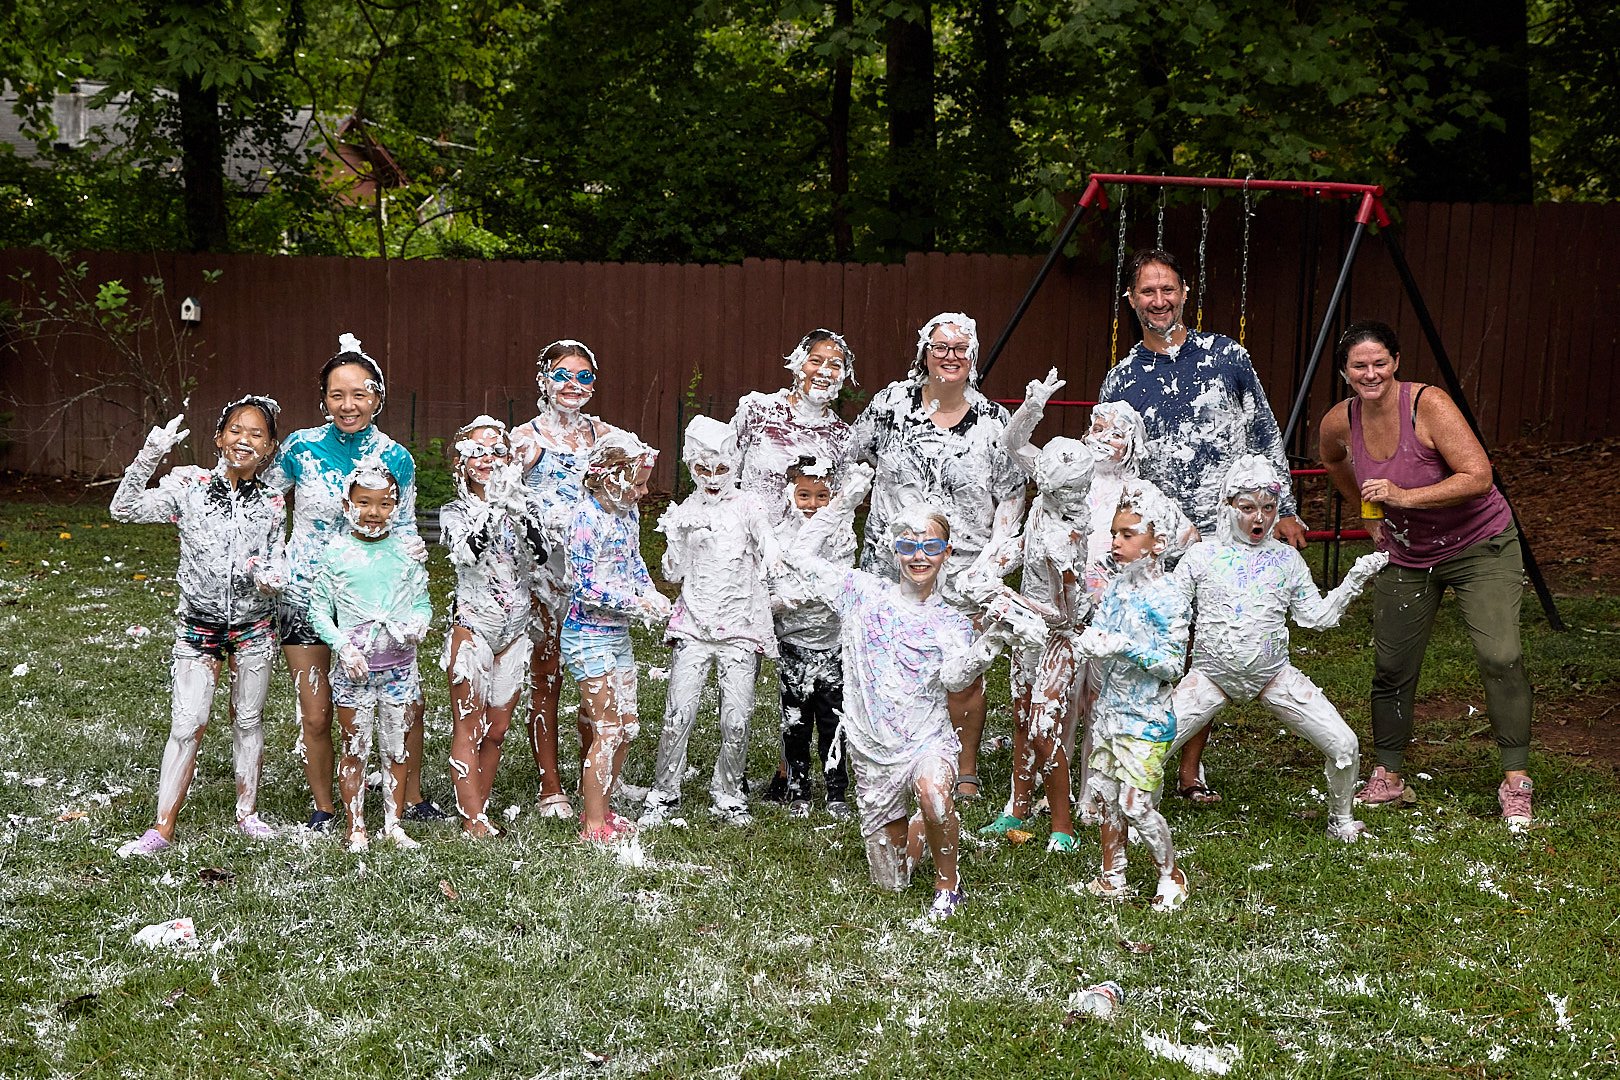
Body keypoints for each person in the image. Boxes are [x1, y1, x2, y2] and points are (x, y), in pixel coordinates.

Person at [1097, 248, 1304, 805]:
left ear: (1186, 292)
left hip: (1226, 532)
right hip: (1160, 537)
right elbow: (1113, 467)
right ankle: (1146, 758)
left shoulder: (1226, 356)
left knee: (1208, 647)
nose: (1158, 301)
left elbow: (1263, 430)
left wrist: (1282, 507)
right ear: (1131, 300)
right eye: (1146, 291)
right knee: (1163, 641)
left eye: (1168, 289)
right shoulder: (1122, 377)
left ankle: (1192, 771)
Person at [1318, 320, 1535, 827]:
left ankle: (1516, 778)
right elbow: (1333, 462)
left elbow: (1478, 476)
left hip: (1480, 544)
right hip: (1408, 553)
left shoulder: (1427, 405)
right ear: (1344, 371)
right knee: (1392, 665)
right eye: (1358, 366)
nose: (1370, 374)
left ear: (1395, 362)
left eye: (1379, 363)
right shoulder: (1339, 420)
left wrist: (1403, 497)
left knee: (1500, 654)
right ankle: (1388, 775)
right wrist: (1371, 515)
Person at [784, 469, 1019, 921]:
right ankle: (918, 829)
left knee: (933, 792)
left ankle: (949, 884)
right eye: (908, 546)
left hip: (926, 740)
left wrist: (989, 644)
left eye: (930, 547)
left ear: (946, 554)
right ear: (894, 550)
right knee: (891, 881)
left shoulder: (950, 621)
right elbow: (798, 555)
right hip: (874, 751)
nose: (918, 556)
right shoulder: (861, 593)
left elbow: (955, 679)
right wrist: (843, 504)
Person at [847, 312, 1026, 800]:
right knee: (888, 665)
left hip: (961, 568)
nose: (951, 356)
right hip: (892, 562)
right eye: (941, 346)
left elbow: (1012, 493)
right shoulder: (889, 406)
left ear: (974, 356)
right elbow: (852, 464)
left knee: (962, 670)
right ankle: (891, 753)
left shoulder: (992, 422)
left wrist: (993, 557)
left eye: (961, 347)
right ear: (924, 352)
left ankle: (962, 764)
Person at [1165, 455, 1386, 842]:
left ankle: (1342, 820)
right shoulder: (1202, 556)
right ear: (1228, 506)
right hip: (1210, 675)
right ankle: (1135, 819)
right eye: (1247, 508)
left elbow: (1317, 618)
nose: (1259, 519)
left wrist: (1354, 579)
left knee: (1344, 744)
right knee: (1150, 744)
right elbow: (1169, 610)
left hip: (1272, 675)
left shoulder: (1287, 560)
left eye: (1268, 509)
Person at [269, 332, 440, 832]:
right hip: (305, 596)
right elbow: (265, 504)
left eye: (359, 393)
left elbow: (405, 525)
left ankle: (408, 796)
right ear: (323, 399)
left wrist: (413, 572)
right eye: (337, 394)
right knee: (319, 711)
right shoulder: (300, 447)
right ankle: (326, 806)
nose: (348, 404)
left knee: (405, 702)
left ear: (378, 397)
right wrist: (267, 559)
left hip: (377, 603)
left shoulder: (397, 457)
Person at [112, 398, 286, 856]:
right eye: (235, 430)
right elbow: (123, 509)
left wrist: (270, 578)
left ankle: (248, 813)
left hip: (254, 627)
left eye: (255, 434)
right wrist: (151, 453)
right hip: (198, 627)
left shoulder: (271, 502)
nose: (243, 439)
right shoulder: (189, 486)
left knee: (248, 720)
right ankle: (162, 828)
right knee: (187, 724)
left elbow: (276, 561)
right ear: (218, 438)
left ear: (269, 448)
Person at [641, 417, 779, 828]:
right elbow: (673, 572)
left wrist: (771, 549)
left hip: (739, 624)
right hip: (694, 624)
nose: (713, 478)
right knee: (678, 711)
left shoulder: (747, 505)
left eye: (721, 468)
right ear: (691, 467)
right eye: (703, 469)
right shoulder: (684, 511)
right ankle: (665, 791)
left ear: (734, 464)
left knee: (736, 716)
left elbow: (763, 530)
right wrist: (680, 540)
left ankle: (729, 791)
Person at [979, 369, 1095, 852]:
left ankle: (1063, 825)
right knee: (1022, 716)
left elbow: (1067, 612)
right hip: (1026, 631)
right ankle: (1018, 808)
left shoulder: (1066, 533)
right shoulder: (1047, 496)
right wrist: (1034, 404)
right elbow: (1013, 444)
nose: (1038, 481)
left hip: (1057, 639)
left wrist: (1005, 598)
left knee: (1046, 726)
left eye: (1047, 479)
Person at [512, 339, 619, 819]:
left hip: (593, 579)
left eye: (584, 376)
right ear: (543, 379)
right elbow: (502, 501)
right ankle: (549, 784)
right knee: (547, 677)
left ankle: (591, 771)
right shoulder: (525, 439)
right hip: (543, 578)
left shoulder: (609, 437)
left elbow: (628, 491)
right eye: (562, 374)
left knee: (595, 674)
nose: (572, 384)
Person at [307, 460, 434, 852]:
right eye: (364, 502)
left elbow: (423, 603)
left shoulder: (407, 552)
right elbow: (317, 610)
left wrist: (417, 624)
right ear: (347, 505)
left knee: (396, 747)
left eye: (383, 504)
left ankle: (393, 824)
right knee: (355, 746)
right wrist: (342, 647)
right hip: (354, 669)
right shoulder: (337, 553)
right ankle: (356, 826)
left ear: (396, 506)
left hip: (398, 668)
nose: (374, 513)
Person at [1077, 485, 1192, 910]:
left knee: (1135, 802)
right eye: (1113, 534)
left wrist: (1123, 646)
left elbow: (1171, 667)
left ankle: (1171, 873)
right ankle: (1112, 873)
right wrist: (1090, 644)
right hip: (1110, 712)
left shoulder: (1168, 597)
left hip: (1146, 718)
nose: (1116, 543)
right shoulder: (1116, 590)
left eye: (1127, 534)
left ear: (1157, 542)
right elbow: (1098, 639)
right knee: (1106, 793)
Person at [440, 418, 547, 838]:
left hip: (515, 627)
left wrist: (519, 510)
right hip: (474, 625)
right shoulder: (454, 512)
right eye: (476, 452)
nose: (487, 459)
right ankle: (473, 818)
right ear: (462, 463)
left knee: (498, 728)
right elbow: (466, 553)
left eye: (496, 451)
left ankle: (478, 806)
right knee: (469, 720)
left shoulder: (525, 503)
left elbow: (540, 555)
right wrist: (494, 508)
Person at [562, 431, 670, 843]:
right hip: (587, 636)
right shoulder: (586, 520)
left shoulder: (626, 514)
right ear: (608, 478)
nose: (643, 492)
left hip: (616, 634)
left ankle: (603, 808)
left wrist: (651, 592)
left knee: (628, 725)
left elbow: (635, 564)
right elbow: (585, 588)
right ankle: (592, 825)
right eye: (638, 483)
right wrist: (637, 604)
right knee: (607, 728)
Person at [766, 454, 855, 819]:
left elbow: (838, 584)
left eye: (822, 496)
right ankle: (797, 787)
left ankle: (836, 791)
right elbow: (775, 583)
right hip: (792, 644)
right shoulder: (779, 537)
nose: (813, 505)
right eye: (804, 495)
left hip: (832, 644)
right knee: (795, 720)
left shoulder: (842, 536)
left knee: (834, 721)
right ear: (790, 494)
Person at [732, 328, 856, 507]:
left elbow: (836, 506)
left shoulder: (844, 437)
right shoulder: (757, 411)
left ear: (843, 376)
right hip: (749, 531)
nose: (825, 371)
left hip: (807, 534)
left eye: (835, 365)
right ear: (798, 365)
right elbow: (724, 475)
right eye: (815, 361)